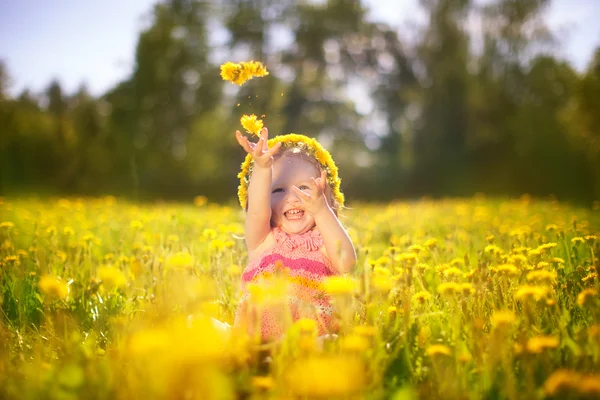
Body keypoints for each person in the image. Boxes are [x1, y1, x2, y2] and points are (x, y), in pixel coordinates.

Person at [233, 127, 356, 342]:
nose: (293, 198)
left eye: (304, 188)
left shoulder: (324, 244)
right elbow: (257, 211)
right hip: (256, 340)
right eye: (278, 190)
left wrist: (321, 210)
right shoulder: (263, 240)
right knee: (198, 324)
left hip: (308, 342)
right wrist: (262, 167)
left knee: (331, 343)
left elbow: (346, 262)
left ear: (327, 197)